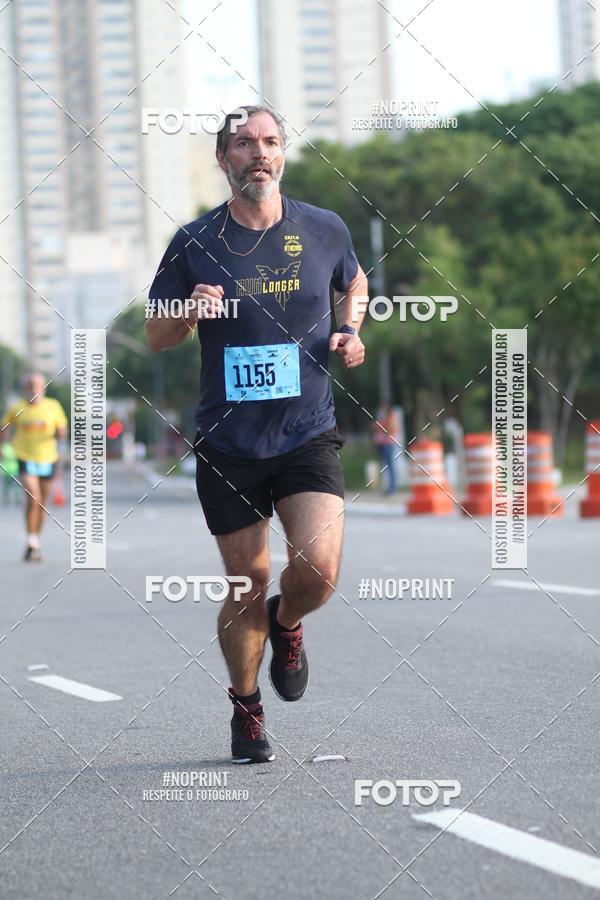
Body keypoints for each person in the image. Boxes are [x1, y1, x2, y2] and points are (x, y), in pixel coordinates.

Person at [146, 105, 368, 763]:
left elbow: (352, 279)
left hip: (306, 432)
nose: (259, 153)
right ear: (224, 159)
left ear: (283, 155)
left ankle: (288, 621)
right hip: (227, 443)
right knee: (247, 580)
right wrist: (187, 311)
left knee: (318, 571)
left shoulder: (322, 228)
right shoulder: (194, 241)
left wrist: (350, 328)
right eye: (244, 144)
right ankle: (246, 709)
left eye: (271, 142)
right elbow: (156, 334)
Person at [0, 374, 68, 561]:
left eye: (37, 385)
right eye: (30, 385)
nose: (34, 389)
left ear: (43, 388)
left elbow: (62, 428)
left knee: (42, 504)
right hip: (25, 457)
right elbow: (4, 426)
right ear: (25, 389)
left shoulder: (53, 406)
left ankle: (36, 540)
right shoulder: (18, 408)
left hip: (48, 458)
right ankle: (31, 540)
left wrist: (61, 433)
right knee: (33, 497)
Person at [372, 404, 402, 495]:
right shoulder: (386, 419)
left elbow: (388, 429)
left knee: (390, 466)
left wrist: (380, 426)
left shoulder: (391, 419)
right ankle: (390, 487)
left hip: (388, 444)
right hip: (384, 444)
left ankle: (392, 488)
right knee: (387, 466)